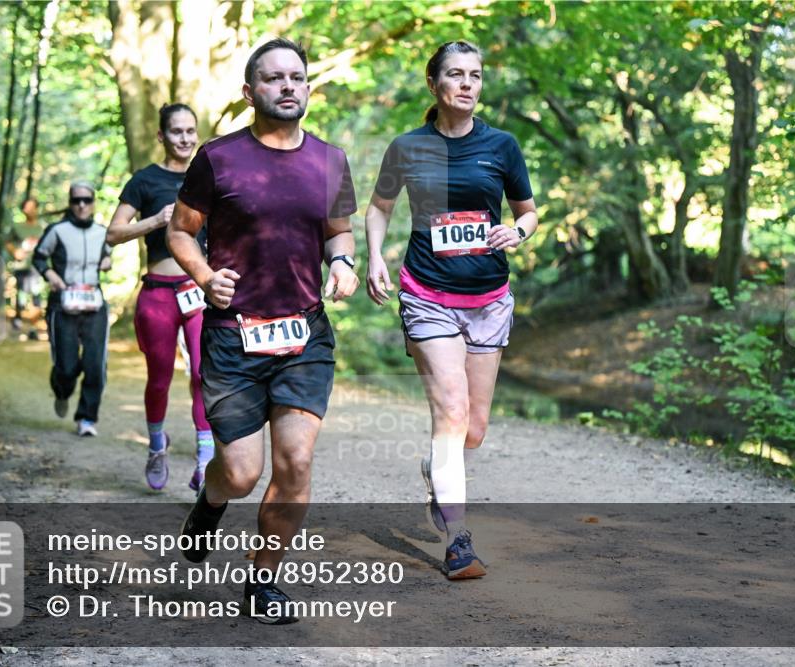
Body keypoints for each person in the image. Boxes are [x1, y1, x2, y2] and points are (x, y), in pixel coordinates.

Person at [168, 38, 359, 624]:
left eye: (296, 77)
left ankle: (263, 582)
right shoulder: (218, 158)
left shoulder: (329, 160)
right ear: (250, 92)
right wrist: (204, 275)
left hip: (304, 336)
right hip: (233, 336)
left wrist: (343, 262)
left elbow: (337, 232)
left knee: (296, 461)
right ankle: (210, 504)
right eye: (274, 79)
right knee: (243, 473)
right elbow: (180, 232)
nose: (287, 87)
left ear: (307, 86)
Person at [365, 41, 538, 580]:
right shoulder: (408, 146)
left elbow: (528, 213)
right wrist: (374, 255)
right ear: (434, 84)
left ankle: (436, 468)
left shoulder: (502, 146)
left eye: (476, 76)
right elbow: (379, 207)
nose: (468, 84)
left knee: (474, 430)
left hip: (488, 300)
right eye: (456, 75)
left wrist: (519, 231)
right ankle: (458, 540)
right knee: (453, 412)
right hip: (428, 294)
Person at [106, 103, 214, 492]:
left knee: (204, 373)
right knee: (160, 378)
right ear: (161, 136)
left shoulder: (209, 177)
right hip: (157, 294)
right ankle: (156, 446)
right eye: (176, 131)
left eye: (190, 131)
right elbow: (113, 233)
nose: (185, 138)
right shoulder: (145, 180)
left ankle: (205, 459)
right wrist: (156, 220)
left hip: (199, 292)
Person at [33, 182, 113, 437]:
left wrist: (108, 260)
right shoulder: (57, 231)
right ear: (70, 202)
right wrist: (50, 275)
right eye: (76, 200)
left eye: (86, 200)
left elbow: (108, 253)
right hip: (63, 304)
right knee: (67, 366)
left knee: (95, 364)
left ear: (93, 203)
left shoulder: (102, 232)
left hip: (94, 304)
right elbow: (38, 257)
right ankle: (62, 389)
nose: (81, 205)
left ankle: (87, 418)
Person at [7, 198, 46, 335]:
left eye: (31, 207)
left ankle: (33, 328)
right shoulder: (17, 227)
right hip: (21, 266)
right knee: (21, 296)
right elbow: (8, 242)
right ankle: (18, 322)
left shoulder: (42, 227)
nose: (28, 210)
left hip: (37, 267)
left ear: (36, 209)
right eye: (25, 207)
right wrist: (14, 251)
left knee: (36, 295)